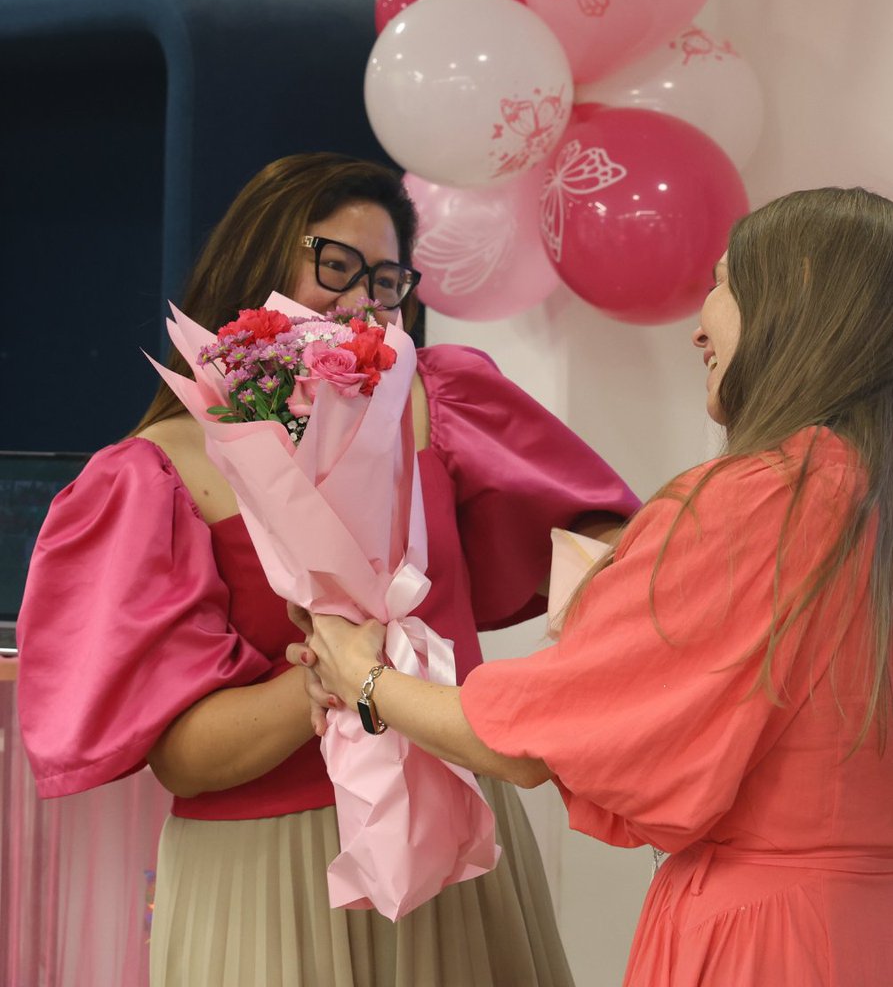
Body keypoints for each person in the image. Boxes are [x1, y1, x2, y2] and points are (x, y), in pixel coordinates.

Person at [294, 186, 893, 986]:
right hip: (884, 927)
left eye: (722, 283)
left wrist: (363, 679)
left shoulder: (763, 497)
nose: (698, 326)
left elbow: (529, 737)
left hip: (766, 933)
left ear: (797, 296)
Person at [16, 153, 639, 987]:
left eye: (385, 281)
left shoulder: (438, 399)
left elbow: (604, 533)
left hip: (454, 838)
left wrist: (588, 643)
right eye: (334, 267)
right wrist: (326, 678)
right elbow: (183, 758)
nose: (358, 304)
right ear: (254, 268)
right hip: (271, 873)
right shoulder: (153, 476)